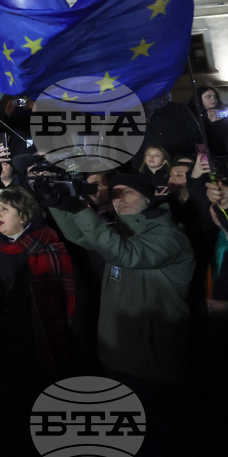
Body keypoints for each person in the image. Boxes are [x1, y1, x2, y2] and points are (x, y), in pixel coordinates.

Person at [48, 173, 194, 456]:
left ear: (150, 197)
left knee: (154, 442)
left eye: (128, 191)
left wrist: (78, 209)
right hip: (117, 356)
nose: (119, 198)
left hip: (152, 364)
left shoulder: (171, 236)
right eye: (114, 193)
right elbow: (80, 234)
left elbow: (125, 253)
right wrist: (60, 203)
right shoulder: (119, 229)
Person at [0, 188, 75, 456]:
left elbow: (67, 300)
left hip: (38, 342)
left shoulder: (49, 245)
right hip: (2, 342)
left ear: (24, 216)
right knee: (6, 408)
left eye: (5, 209)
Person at [194, 86, 228, 156]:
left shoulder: (222, 112)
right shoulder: (194, 116)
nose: (213, 99)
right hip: (208, 155)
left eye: (215, 97)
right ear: (200, 99)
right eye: (208, 97)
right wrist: (211, 123)